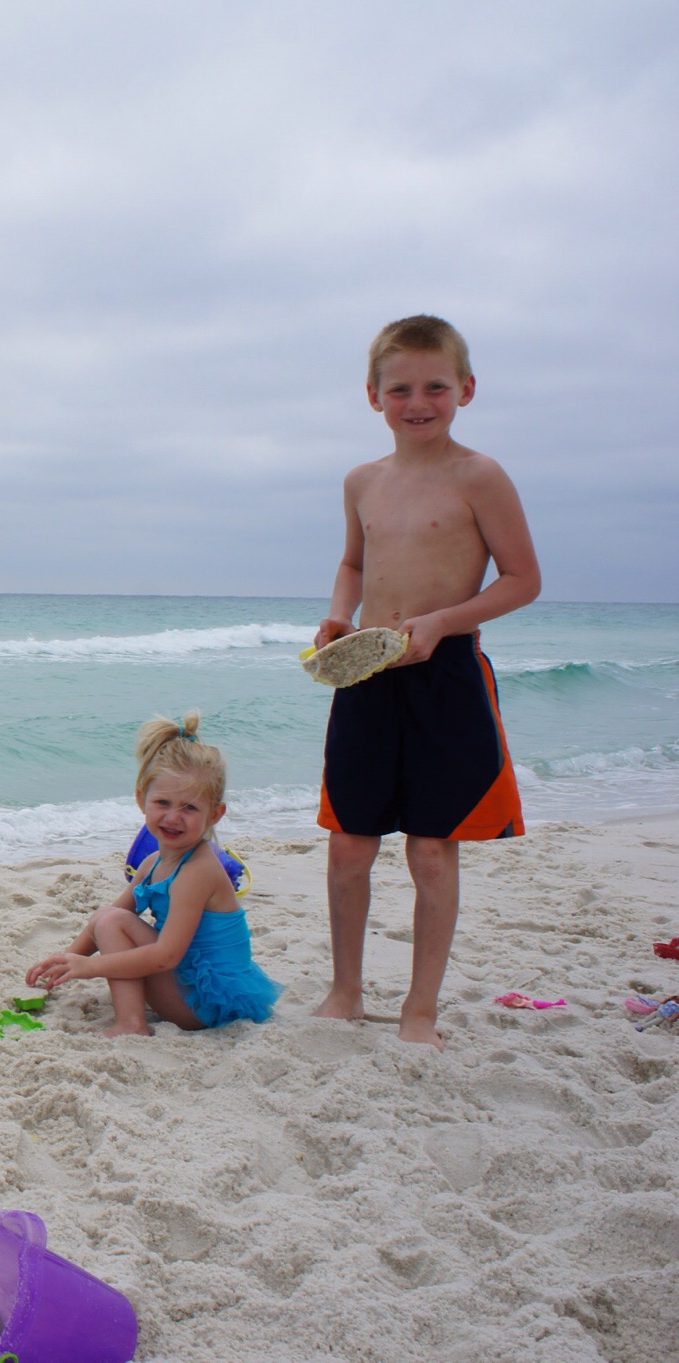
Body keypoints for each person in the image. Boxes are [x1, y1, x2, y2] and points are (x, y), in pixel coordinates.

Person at [309, 316, 541, 1049]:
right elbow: (354, 562)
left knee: (432, 849)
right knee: (349, 845)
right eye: (400, 389)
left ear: (465, 389)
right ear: (372, 395)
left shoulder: (480, 476)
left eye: (435, 387)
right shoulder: (362, 481)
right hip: (367, 671)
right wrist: (340, 615)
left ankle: (420, 1009)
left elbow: (522, 579)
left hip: (446, 673)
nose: (418, 402)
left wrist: (442, 622)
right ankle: (346, 991)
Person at [25, 713, 281, 1036]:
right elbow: (102, 920)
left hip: (205, 1001)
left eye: (190, 807)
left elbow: (165, 956)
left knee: (113, 921)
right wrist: (65, 962)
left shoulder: (197, 871)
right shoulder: (151, 863)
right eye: (162, 802)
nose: (173, 817)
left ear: (215, 814)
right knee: (107, 915)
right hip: (188, 982)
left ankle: (131, 1023)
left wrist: (89, 967)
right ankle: (127, 1016)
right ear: (141, 800)